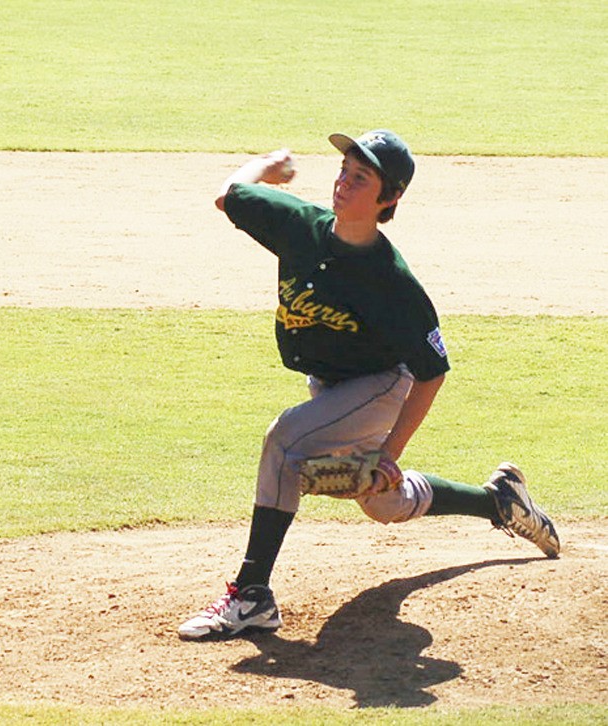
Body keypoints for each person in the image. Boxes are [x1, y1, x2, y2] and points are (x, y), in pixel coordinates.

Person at [178, 129, 560, 641]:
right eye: (344, 170)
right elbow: (229, 195)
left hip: (380, 385)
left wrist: (390, 452)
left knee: (284, 440)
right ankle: (499, 501)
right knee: (383, 502)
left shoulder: (392, 283)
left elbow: (431, 372)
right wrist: (268, 164)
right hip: (331, 387)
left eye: (361, 178)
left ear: (390, 197)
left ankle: (252, 595)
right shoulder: (300, 226)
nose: (344, 183)